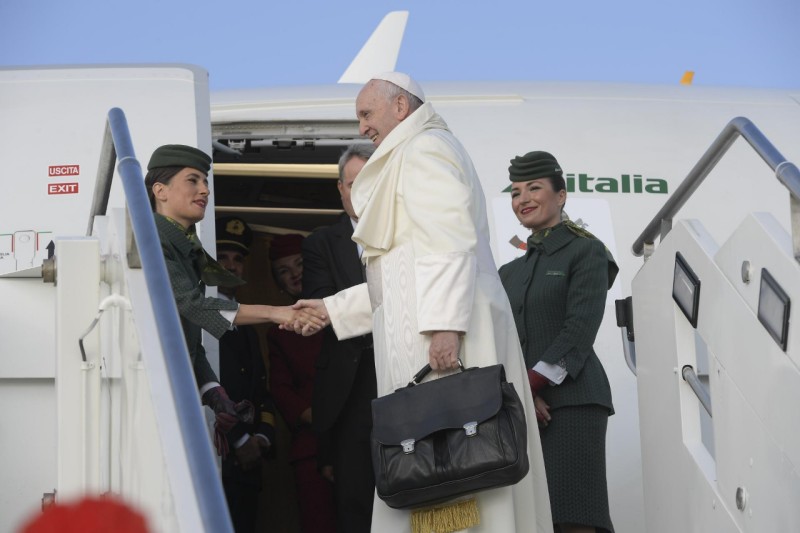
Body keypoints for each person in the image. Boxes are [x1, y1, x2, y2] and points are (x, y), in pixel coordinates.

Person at [290, 73, 553, 533]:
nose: (362, 128)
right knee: (434, 468)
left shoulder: (425, 148)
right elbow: (396, 277)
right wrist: (332, 310)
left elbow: (450, 240)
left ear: (400, 107)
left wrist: (446, 325)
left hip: (445, 337)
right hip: (428, 335)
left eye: (366, 114)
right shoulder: (405, 155)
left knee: (466, 462)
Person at [144, 144, 325, 458]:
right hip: (155, 394)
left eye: (205, 182)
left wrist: (213, 391)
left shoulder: (183, 245)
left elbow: (189, 340)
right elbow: (192, 306)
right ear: (160, 191)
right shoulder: (154, 240)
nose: (204, 189)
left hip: (176, 393)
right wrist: (276, 312)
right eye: (193, 180)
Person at [498, 150, 617, 533]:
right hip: (522, 408)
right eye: (516, 192)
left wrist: (529, 386)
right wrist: (521, 395)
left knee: (573, 517)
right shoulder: (509, 271)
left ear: (561, 195)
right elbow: (503, 341)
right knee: (529, 522)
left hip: (572, 403)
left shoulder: (587, 251)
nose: (523, 199)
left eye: (534, 188)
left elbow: (578, 330)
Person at [303, 143, 378, 533]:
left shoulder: (407, 236)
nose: (360, 192)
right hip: (351, 392)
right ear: (340, 189)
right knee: (356, 504)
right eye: (352, 184)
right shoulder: (321, 243)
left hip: (406, 380)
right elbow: (323, 308)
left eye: (369, 182)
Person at [267, 234, 337, 533]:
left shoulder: (344, 314)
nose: (295, 274)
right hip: (311, 444)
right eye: (284, 271)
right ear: (279, 283)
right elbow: (280, 389)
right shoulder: (280, 332)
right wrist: (317, 417)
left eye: (300, 264)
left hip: (358, 436)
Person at [215, 215, 278, 533]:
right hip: (217, 458)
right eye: (222, 257)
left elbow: (261, 392)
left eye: (238, 259)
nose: (231, 266)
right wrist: (239, 439)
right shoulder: (198, 318)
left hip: (248, 466)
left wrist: (262, 437)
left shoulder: (248, 329)